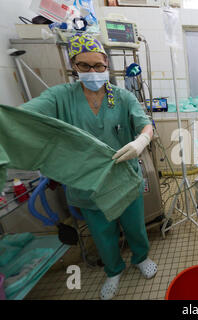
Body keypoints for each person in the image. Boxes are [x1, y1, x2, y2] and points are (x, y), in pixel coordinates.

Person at [20, 33, 158, 300]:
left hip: (123, 177)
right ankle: (114, 270)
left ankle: (140, 258)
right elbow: (27, 117)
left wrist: (141, 140)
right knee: (102, 233)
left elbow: (145, 124)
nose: (93, 71)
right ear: (74, 66)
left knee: (134, 226)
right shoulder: (61, 97)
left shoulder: (122, 97)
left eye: (98, 66)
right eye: (85, 66)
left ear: (106, 64)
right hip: (87, 183)